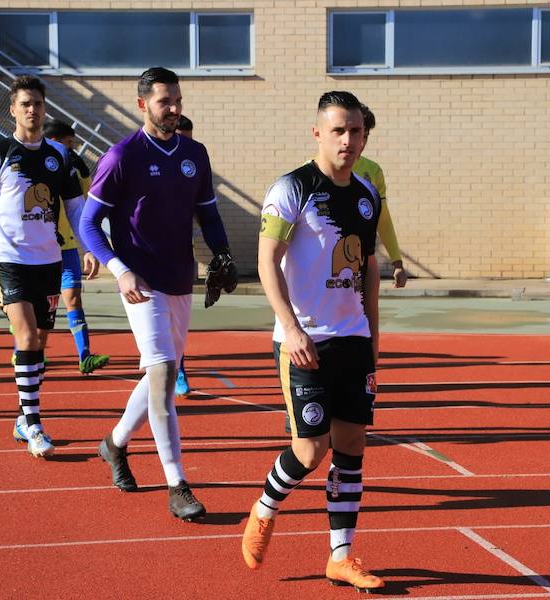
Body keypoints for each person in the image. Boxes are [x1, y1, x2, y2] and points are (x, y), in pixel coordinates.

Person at [241, 90, 384, 592]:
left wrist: (374, 337)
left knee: (351, 446)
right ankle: (264, 508)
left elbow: (368, 271)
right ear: (318, 132)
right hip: (303, 341)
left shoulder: (367, 196)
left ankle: (341, 555)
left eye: (357, 131)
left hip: (352, 339)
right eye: (339, 130)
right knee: (310, 449)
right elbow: (266, 261)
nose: (348, 140)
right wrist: (291, 326)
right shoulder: (291, 189)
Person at [79, 68, 237, 521]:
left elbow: (208, 214)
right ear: (142, 104)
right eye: (165, 101)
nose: (173, 109)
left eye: (178, 100)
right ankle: (177, 484)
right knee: (166, 374)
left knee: (156, 379)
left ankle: (113, 444)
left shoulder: (194, 154)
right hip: (141, 283)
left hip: (180, 278)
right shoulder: (121, 156)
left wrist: (223, 254)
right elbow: (89, 224)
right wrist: (119, 270)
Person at [0, 76, 92, 458]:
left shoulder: (59, 156)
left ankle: (22, 415)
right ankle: (34, 424)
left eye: (38, 103)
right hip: (10, 260)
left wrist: (89, 247)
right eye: (25, 104)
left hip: (48, 260)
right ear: (13, 110)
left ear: (44, 108)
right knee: (28, 337)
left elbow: (76, 207)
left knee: (40, 345)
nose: (32, 109)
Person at [42, 119, 110, 374]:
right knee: (40, 306)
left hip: (68, 246)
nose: (73, 149)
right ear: (54, 142)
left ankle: (85, 356)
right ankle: (27, 351)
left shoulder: (75, 168)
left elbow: (83, 206)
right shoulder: (33, 163)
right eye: (69, 144)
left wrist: (88, 247)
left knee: (73, 298)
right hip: (39, 249)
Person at [352, 104, 407, 288]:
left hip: (362, 263)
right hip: (323, 268)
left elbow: (382, 217)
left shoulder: (372, 171)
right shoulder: (309, 174)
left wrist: (397, 262)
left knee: (366, 316)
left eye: (365, 135)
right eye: (354, 133)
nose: (360, 142)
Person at [173, 114, 194, 397]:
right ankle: (174, 368)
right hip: (145, 257)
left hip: (180, 251)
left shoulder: (194, 162)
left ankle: (177, 366)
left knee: (178, 324)